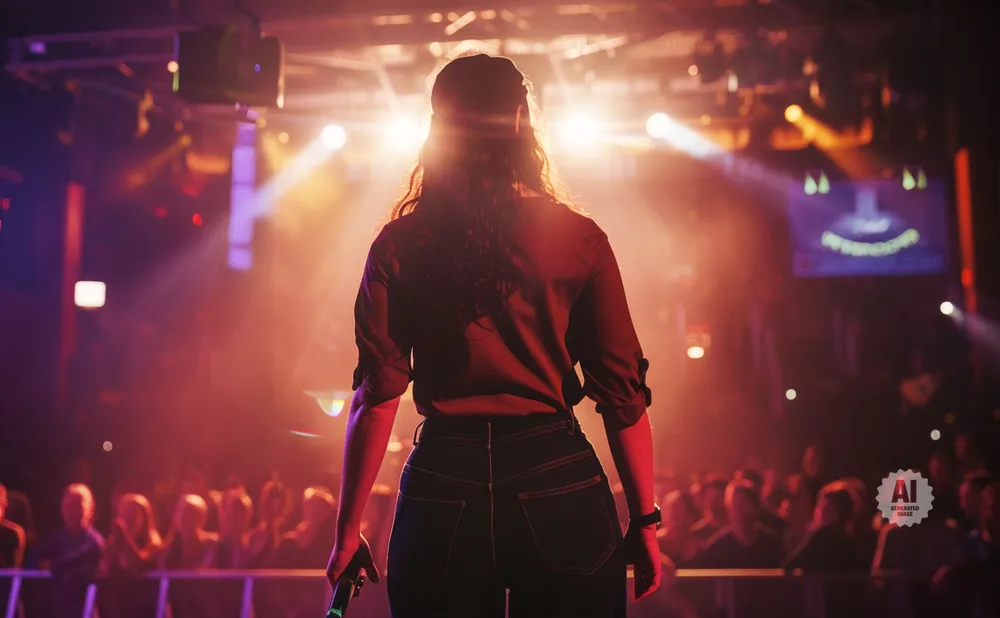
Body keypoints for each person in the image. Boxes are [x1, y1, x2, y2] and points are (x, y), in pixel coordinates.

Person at [325, 53, 662, 618]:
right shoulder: (579, 239)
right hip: (555, 467)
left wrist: (346, 532)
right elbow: (622, 397)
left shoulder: (400, 244)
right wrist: (645, 523)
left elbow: (378, 396)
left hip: (442, 476)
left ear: (438, 126)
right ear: (522, 119)